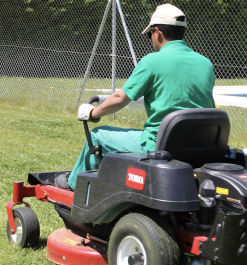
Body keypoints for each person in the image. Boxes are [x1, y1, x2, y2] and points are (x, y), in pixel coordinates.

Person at [56, 3, 216, 189]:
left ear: (157, 32)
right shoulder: (205, 64)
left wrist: (93, 113)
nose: (150, 39)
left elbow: (120, 98)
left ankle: (75, 185)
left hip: (159, 146)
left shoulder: (152, 61)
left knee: (98, 135)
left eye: (149, 34)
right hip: (198, 146)